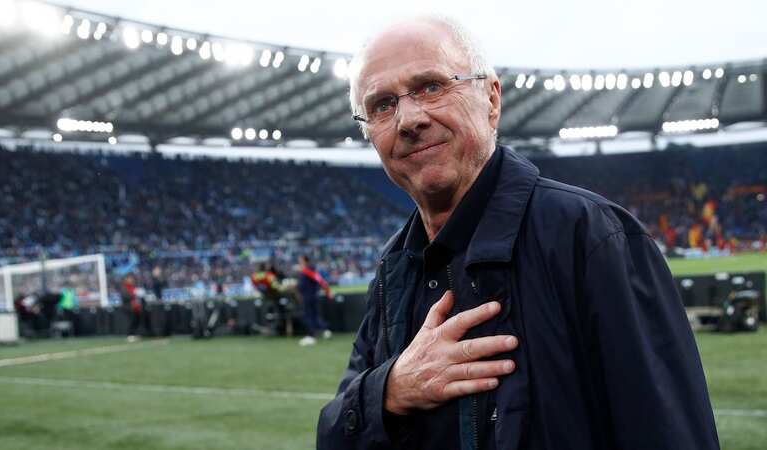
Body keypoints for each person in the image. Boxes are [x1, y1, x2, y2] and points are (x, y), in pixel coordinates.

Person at [317, 16, 719, 450]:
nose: (409, 119)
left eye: (431, 86)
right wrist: (391, 390)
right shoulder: (395, 268)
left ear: (491, 100)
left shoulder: (590, 236)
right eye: (382, 105)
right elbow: (334, 435)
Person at [297, 255, 332, 346]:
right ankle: (325, 330)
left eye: (300, 260)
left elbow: (302, 285)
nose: (299, 262)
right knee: (315, 315)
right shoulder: (312, 270)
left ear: (305, 260)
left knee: (308, 315)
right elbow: (319, 281)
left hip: (308, 296)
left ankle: (311, 335)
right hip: (313, 295)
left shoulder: (306, 271)